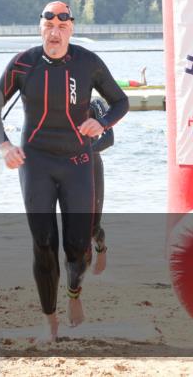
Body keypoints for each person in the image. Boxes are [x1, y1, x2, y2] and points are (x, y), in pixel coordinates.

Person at [0, 1, 129, 340]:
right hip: (36, 162)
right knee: (44, 242)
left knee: (77, 245)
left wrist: (103, 122)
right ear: (40, 29)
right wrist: (4, 146)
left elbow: (121, 101)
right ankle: (50, 318)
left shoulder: (88, 62)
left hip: (78, 162)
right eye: (49, 26)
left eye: (62, 26)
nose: (55, 32)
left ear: (71, 30)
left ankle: (74, 294)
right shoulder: (24, 63)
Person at [88, 97, 116, 275]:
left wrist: (85, 153)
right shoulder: (60, 103)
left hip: (91, 163)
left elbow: (109, 138)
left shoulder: (95, 104)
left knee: (93, 227)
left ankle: (100, 248)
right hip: (66, 167)